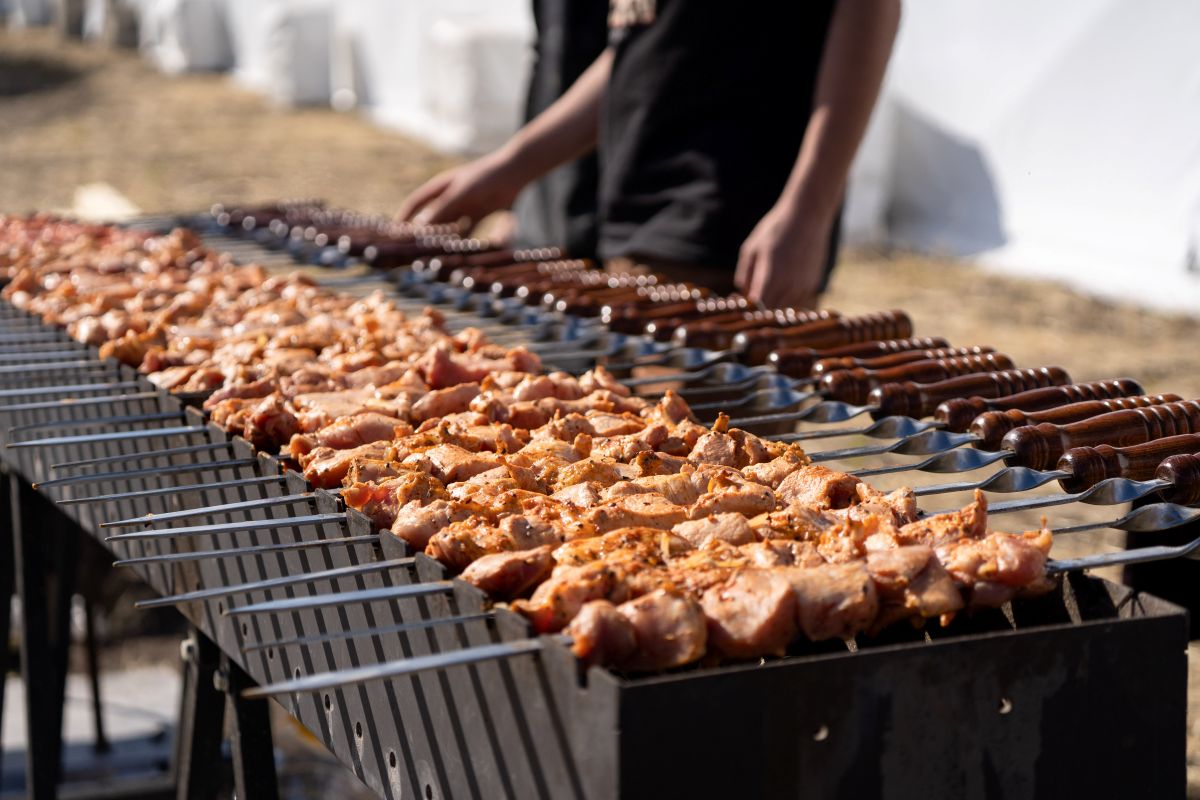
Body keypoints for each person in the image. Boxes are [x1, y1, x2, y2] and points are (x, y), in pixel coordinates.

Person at [399, 0, 901, 308]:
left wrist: (807, 212)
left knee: (713, 474)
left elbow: (868, 7)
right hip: (631, 229)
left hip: (727, 236)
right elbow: (635, 55)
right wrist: (508, 172)